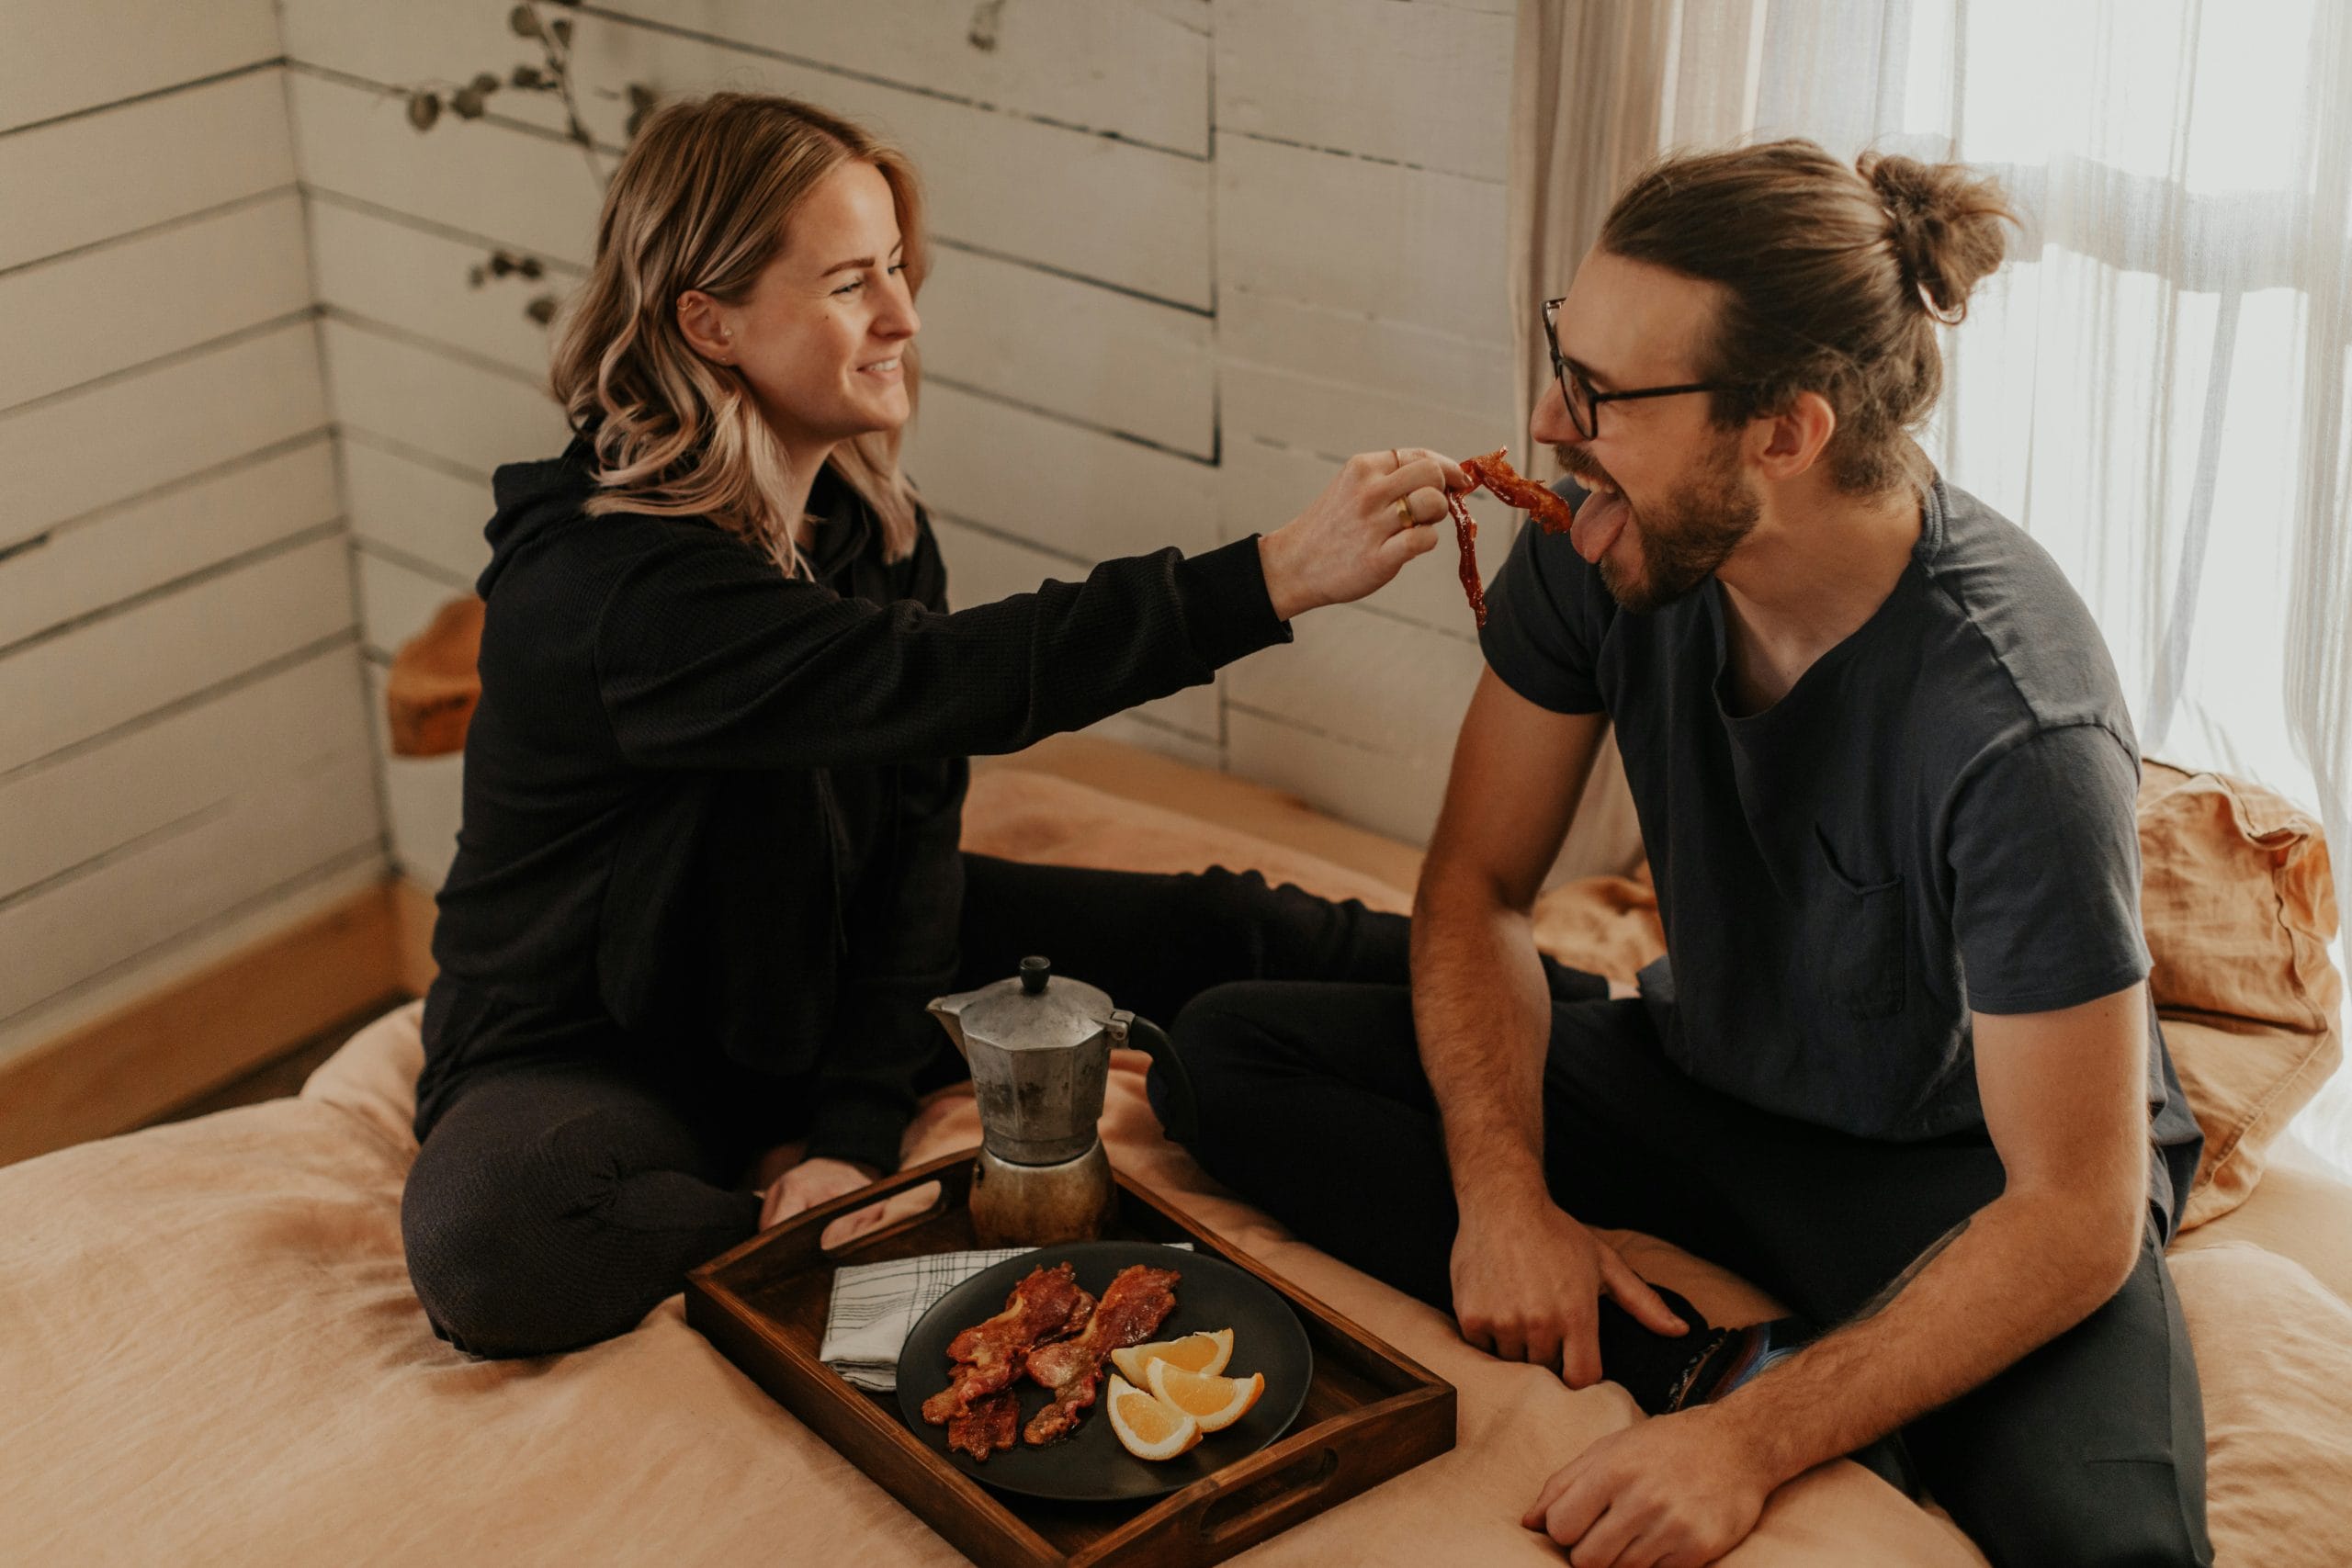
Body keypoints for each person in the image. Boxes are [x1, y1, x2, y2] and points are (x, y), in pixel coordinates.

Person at [1156, 141, 2211, 1568]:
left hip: (1967, 1172)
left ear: (1786, 433)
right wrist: (1504, 1198)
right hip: (1707, 1079)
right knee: (1225, 1059)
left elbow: (2076, 1215)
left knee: (2120, 1556)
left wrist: (1748, 1446)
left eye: (1601, 396)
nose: (1545, 420)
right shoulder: (1605, 544)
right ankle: (1711, 1354)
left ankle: (1785, 1388)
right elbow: (1477, 887)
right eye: (1559, 357)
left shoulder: (2015, 721)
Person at [397, 92, 1474, 1359]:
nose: (904, 318)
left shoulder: (867, 530)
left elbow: (914, 850)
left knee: (1233, 926)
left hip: (820, 959)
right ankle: (801, 1238)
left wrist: (852, 1123)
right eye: (853, 283)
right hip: (607, 1051)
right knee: (495, 1233)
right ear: (711, 320)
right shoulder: (616, 588)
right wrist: (1275, 572)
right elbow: (943, 679)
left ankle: (1595, 1023)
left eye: (898, 270)